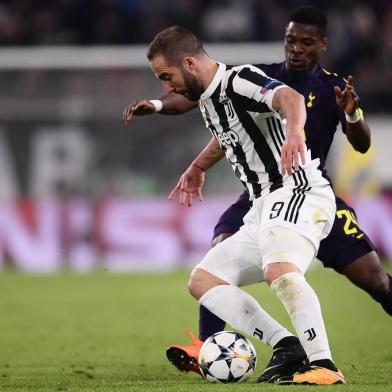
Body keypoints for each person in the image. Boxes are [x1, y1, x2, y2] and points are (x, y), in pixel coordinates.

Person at [122, 5, 392, 379]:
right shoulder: (212, 98)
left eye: (166, 77)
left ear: (189, 63)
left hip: (298, 188)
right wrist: (197, 166)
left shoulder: (241, 79)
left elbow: (291, 100)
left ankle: (324, 366)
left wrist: (296, 132)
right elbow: (228, 136)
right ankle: (287, 345)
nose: (166, 86)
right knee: (203, 280)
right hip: (263, 202)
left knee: (282, 271)